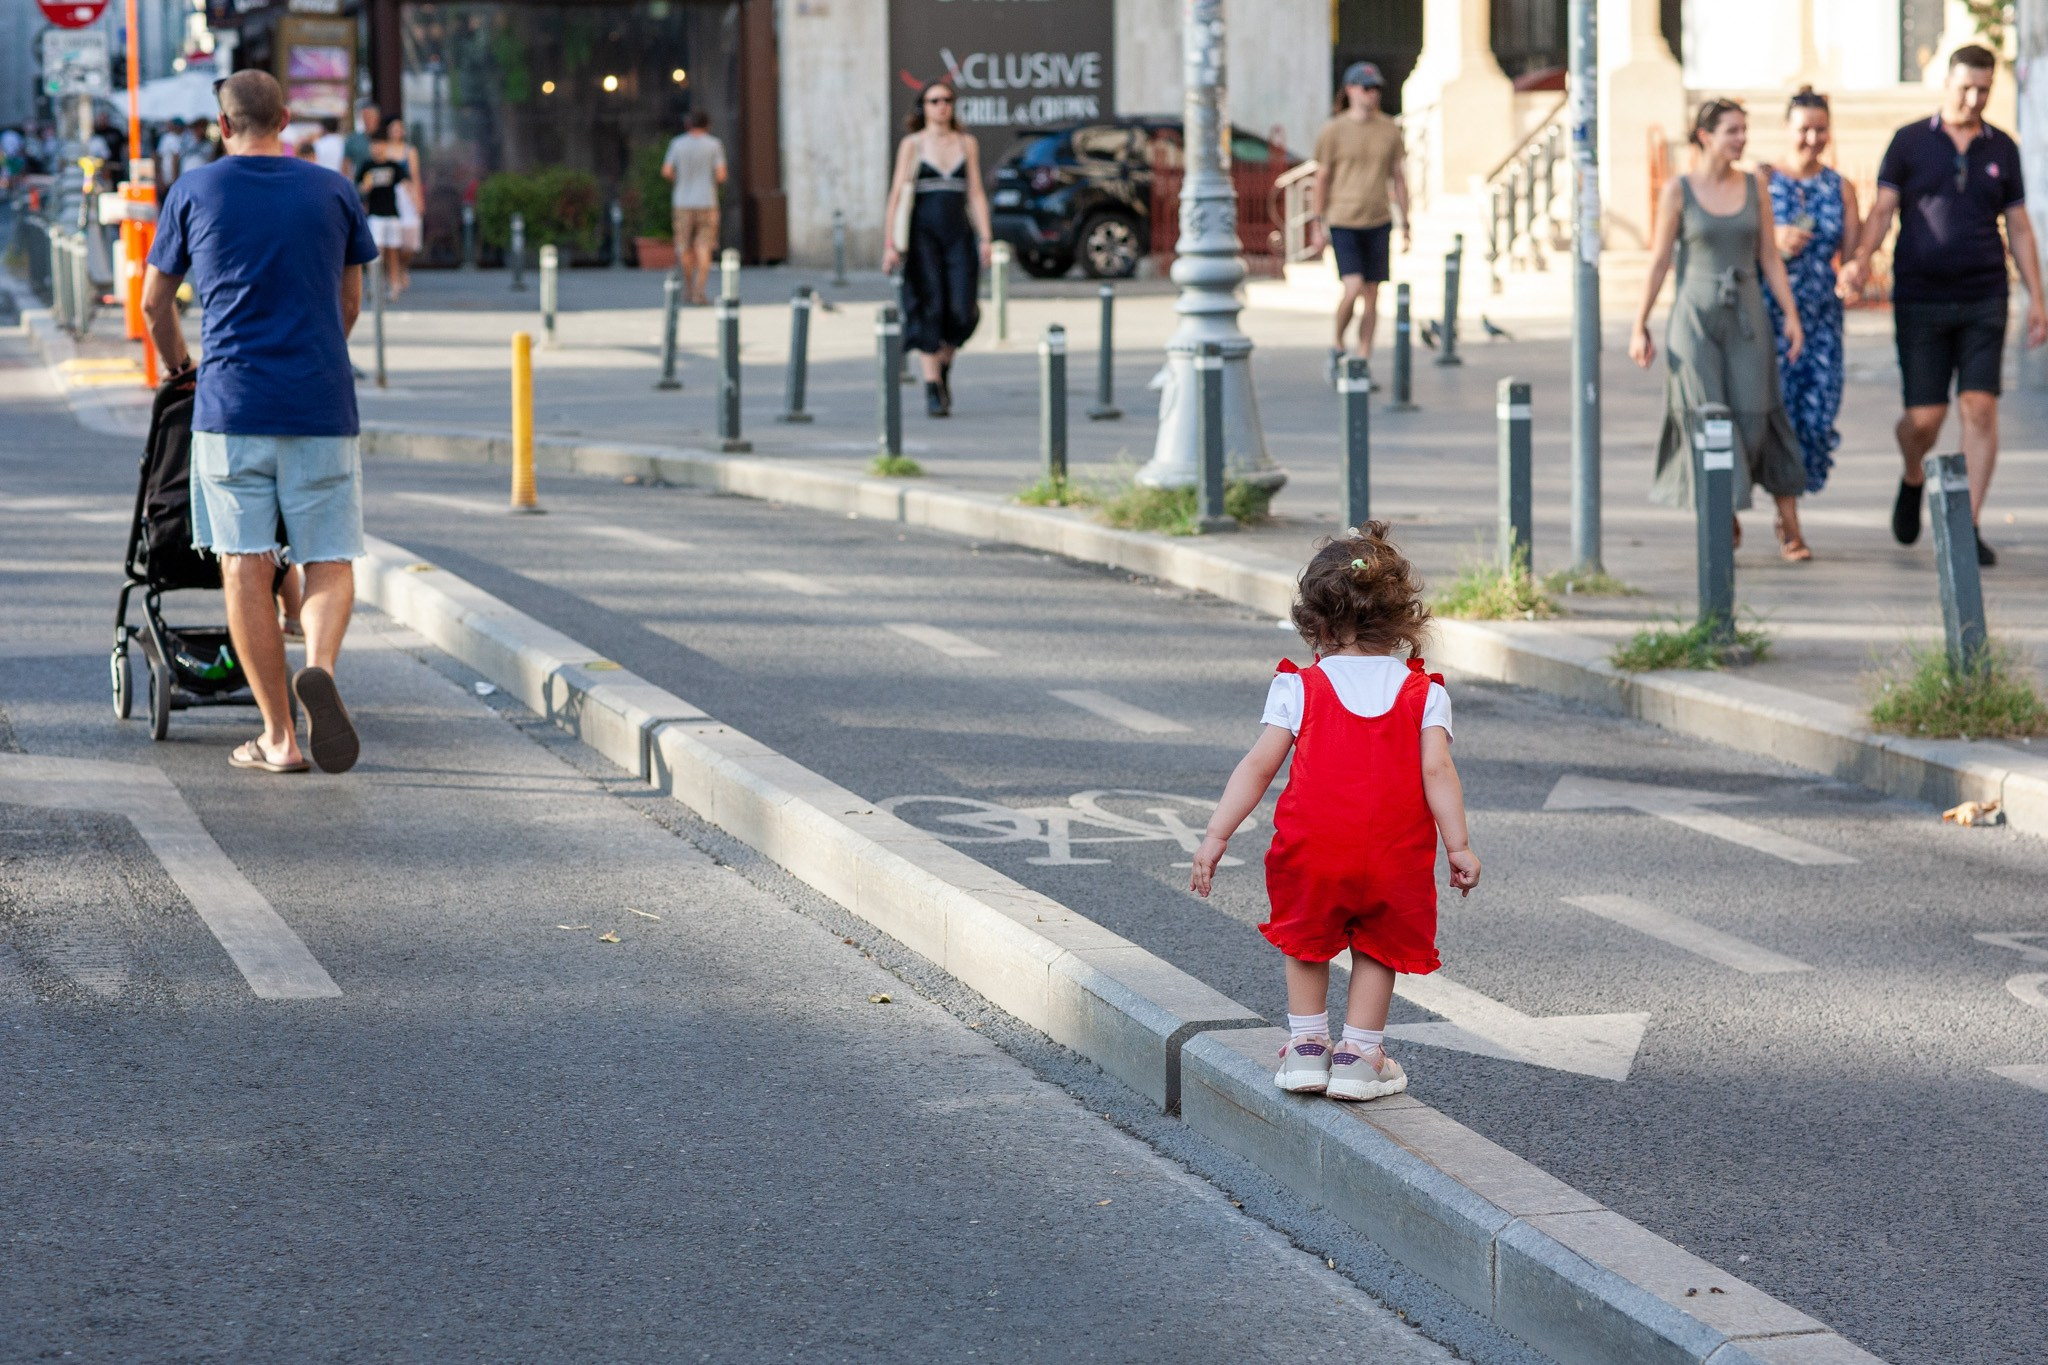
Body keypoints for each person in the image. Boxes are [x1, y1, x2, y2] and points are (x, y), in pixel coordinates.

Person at [140, 69, 378, 775]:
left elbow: (156, 304)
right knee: (329, 556)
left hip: (232, 406)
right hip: (320, 403)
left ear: (222, 124)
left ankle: (279, 737)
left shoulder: (195, 190)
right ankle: (324, 668)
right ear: (287, 117)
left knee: (245, 566)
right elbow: (352, 298)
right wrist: (317, 351)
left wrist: (181, 364)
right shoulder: (332, 188)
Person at [1190, 528, 1480, 1103]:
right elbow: (1437, 773)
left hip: (1312, 848)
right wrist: (1458, 845)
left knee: (1308, 940)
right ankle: (1359, 1055)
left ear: (1317, 624)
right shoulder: (1423, 692)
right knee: (1378, 945)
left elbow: (1257, 768)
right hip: (1395, 853)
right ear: (1401, 621)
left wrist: (1216, 834)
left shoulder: (1300, 687)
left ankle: (1306, 1049)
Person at [1840, 44, 2048, 568]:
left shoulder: (2003, 146)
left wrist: (2037, 297)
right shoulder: (1909, 142)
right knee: (1924, 418)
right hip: (1921, 297)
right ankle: (1914, 475)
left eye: (1983, 89)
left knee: (1978, 407)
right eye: (1965, 87)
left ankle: (1967, 524)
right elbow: (1884, 209)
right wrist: (1862, 259)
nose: (1974, 98)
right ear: (1946, 83)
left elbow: (2019, 226)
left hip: (1984, 294)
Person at [1631, 99, 1811, 560]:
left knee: (1755, 418)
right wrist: (1640, 325)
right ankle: (1720, 516)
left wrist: (1790, 316)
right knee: (1706, 420)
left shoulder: (1756, 187)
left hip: (1747, 317)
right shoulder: (1678, 191)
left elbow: (1770, 256)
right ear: (1705, 136)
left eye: (1744, 130)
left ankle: (1774, 513)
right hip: (1693, 322)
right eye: (1732, 130)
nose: (1741, 138)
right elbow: (1658, 262)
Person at [1762, 87, 1859, 502]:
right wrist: (1773, 238)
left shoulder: (1841, 187)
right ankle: (1787, 517)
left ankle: (1792, 496)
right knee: (1775, 413)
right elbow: (1737, 239)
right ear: (1787, 129)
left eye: (1821, 129)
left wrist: (1853, 274)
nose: (1812, 138)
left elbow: (1853, 255)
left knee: (1817, 416)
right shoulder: (1762, 181)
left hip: (1821, 316)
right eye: (1804, 129)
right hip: (1771, 313)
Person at [883, 79, 992, 417]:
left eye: (947, 100)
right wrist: (890, 243)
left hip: (958, 234)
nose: (941, 106)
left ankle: (943, 366)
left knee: (960, 309)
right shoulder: (912, 145)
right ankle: (932, 385)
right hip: (922, 236)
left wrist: (986, 237)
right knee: (929, 306)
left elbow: (974, 192)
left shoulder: (966, 143)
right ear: (923, 107)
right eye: (934, 101)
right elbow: (898, 194)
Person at [1311, 62, 1409, 387]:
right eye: (1366, 88)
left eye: (1377, 89)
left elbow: (1398, 177)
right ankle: (1338, 345)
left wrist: (1406, 222)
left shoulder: (1389, 129)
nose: (1372, 94)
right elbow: (1321, 177)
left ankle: (1363, 360)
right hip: (1343, 219)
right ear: (1350, 89)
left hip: (1378, 218)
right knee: (1351, 288)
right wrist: (1317, 222)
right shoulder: (1333, 130)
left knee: (1372, 294)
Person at [661, 111, 727, 306]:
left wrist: (679, 181)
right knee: (704, 246)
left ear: (688, 124)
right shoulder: (714, 145)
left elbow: (666, 171)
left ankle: (689, 289)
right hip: (707, 201)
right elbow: (722, 175)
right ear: (707, 125)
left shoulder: (678, 144)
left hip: (682, 201)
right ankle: (700, 291)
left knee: (684, 246)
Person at [358, 121, 414, 299]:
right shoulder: (367, 166)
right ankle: (375, 285)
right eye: (374, 145)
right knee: (376, 251)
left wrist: (414, 201)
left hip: (392, 213)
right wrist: (364, 188)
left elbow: (406, 182)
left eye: (380, 144)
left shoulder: (393, 165)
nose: (377, 148)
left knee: (392, 252)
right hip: (375, 214)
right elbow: (360, 186)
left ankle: (394, 284)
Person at [340, 103, 379, 183]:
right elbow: (345, 165)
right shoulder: (353, 139)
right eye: (365, 117)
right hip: (360, 185)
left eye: (370, 117)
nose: (368, 120)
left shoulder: (387, 137)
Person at [155, 117, 191, 191]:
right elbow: (163, 158)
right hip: (169, 177)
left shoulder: (184, 137)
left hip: (175, 177)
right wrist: (160, 178)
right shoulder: (169, 138)